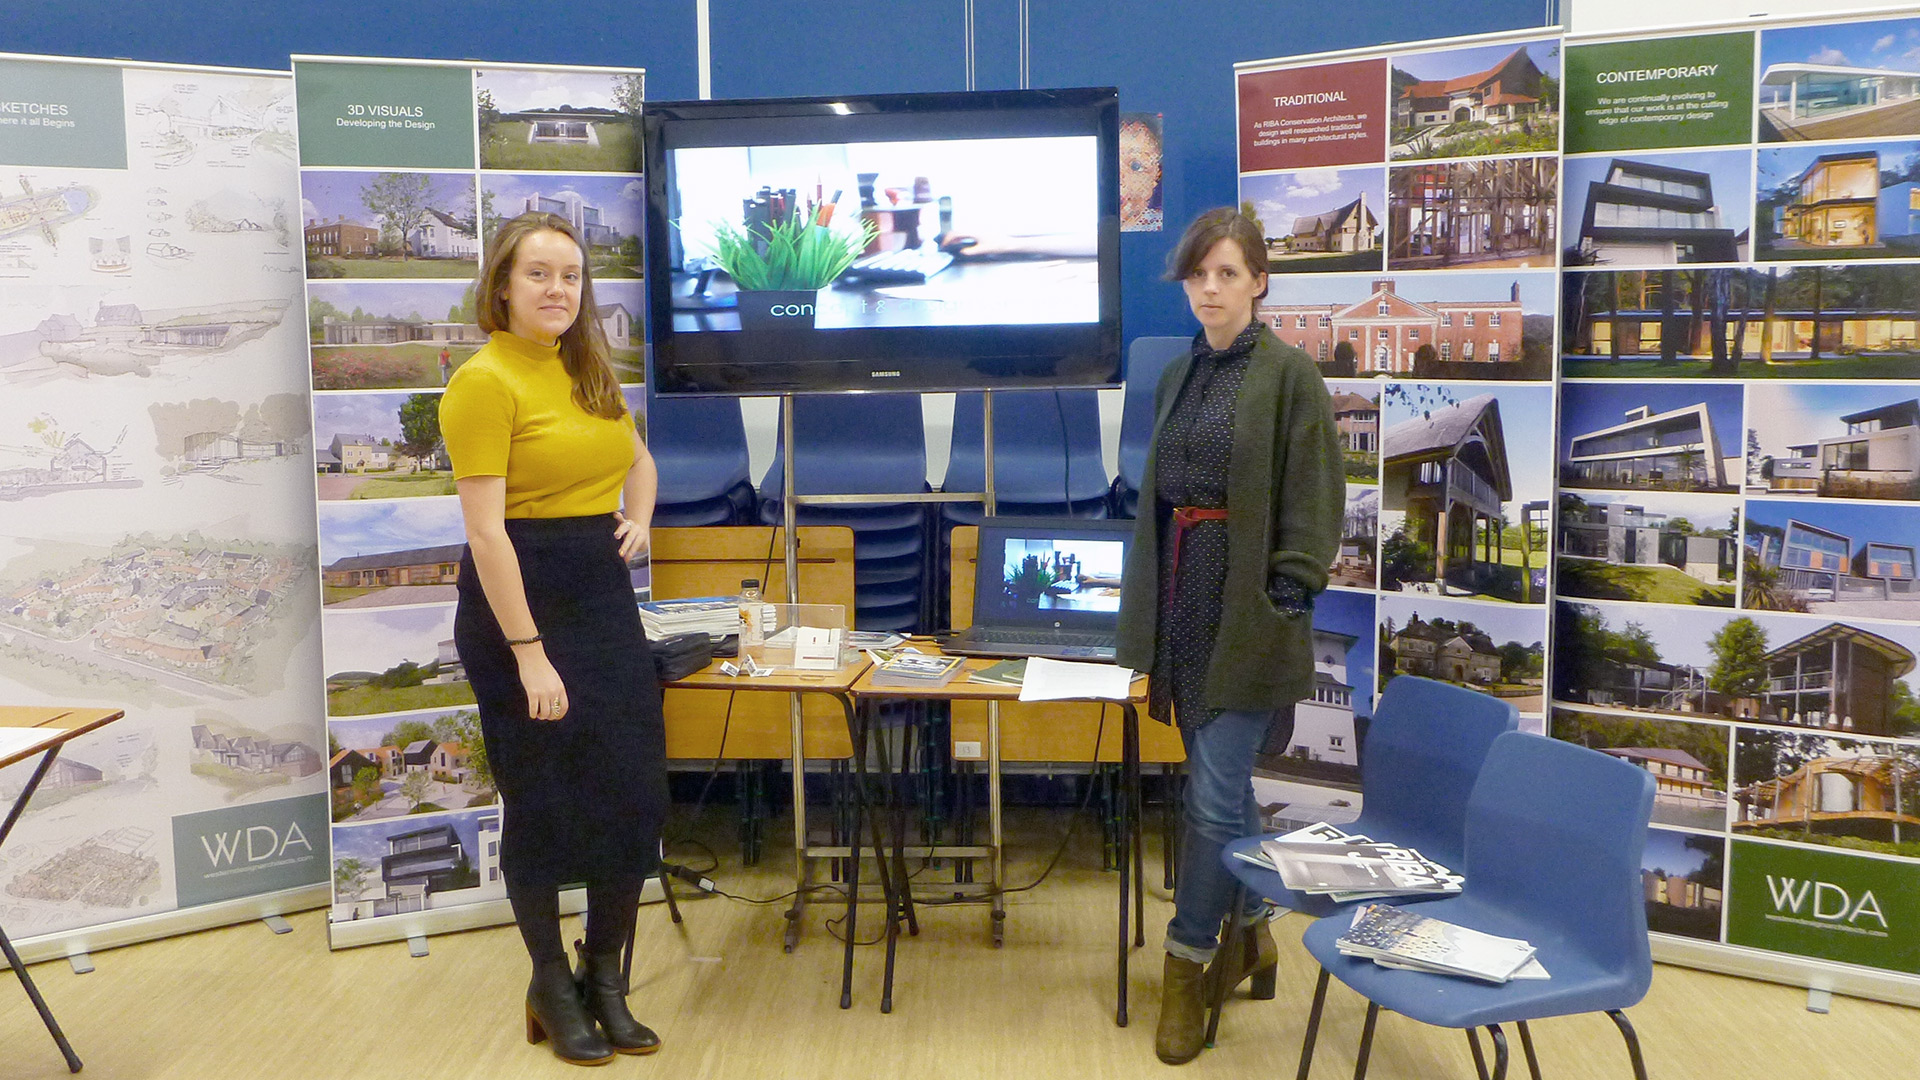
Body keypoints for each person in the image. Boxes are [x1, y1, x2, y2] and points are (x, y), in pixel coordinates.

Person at [1113, 207, 1342, 1065]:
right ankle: (1254, 931)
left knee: (1210, 798)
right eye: (1197, 275)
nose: (1209, 289)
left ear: (1259, 282)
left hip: (1247, 609)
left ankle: (1189, 960)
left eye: (1227, 274)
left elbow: (1315, 499)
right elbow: (1163, 498)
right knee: (1223, 786)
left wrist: (1287, 595)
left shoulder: (1290, 377)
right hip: (1182, 595)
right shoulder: (1179, 374)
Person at [440, 211, 666, 1066]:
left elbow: (634, 461)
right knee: (541, 802)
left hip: (602, 602)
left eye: (571, 276)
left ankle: (604, 977)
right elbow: (488, 536)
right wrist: (529, 653)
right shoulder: (484, 380)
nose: (558, 290)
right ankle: (549, 983)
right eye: (539, 274)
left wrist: (638, 519)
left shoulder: (585, 369)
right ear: (502, 284)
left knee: (631, 794)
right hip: (517, 609)